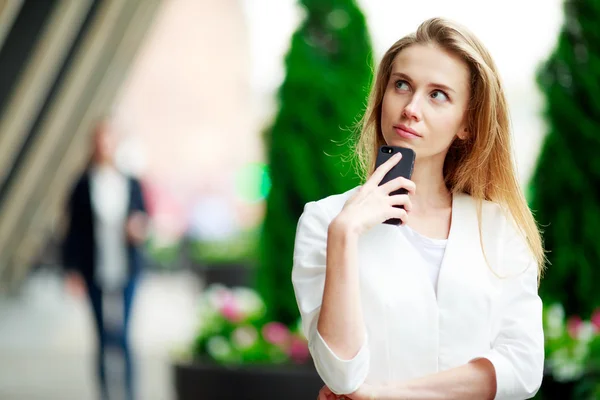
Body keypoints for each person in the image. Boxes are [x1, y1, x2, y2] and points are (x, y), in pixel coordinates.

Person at [292, 17, 545, 400]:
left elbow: (523, 370)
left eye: (438, 94)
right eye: (402, 85)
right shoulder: (327, 221)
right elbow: (341, 374)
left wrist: (383, 394)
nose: (411, 108)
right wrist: (345, 235)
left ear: (467, 124)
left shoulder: (498, 228)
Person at [62, 118, 148, 400]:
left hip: (126, 266)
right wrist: (71, 271)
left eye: (109, 139)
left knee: (123, 335)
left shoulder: (131, 182)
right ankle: (106, 394)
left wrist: (137, 227)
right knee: (101, 336)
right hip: (94, 267)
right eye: (100, 140)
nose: (104, 145)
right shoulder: (82, 184)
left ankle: (129, 393)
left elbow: (144, 217)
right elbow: (72, 231)